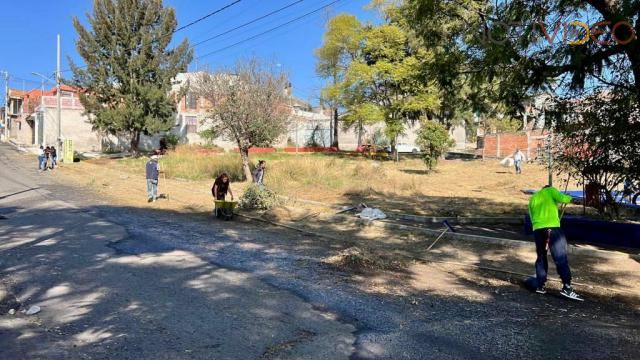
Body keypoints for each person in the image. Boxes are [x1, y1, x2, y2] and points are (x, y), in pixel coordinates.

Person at [529, 185, 583, 301]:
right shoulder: (551, 190)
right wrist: (569, 197)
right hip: (552, 228)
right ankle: (566, 287)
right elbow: (563, 199)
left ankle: (540, 285)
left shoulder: (533, 197)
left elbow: (531, 215)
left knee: (541, 257)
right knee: (560, 257)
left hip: (538, 230)